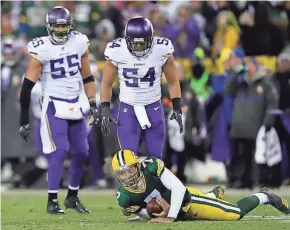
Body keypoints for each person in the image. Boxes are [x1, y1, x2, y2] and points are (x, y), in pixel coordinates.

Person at [19, 6, 99, 214]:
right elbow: (27, 86)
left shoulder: (80, 42)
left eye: (64, 26)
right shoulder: (42, 49)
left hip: (76, 102)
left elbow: (88, 76)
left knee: (82, 152)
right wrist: (23, 119)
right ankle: (52, 200)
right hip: (54, 104)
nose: (61, 30)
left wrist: (92, 102)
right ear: (49, 27)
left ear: (70, 26)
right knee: (59, 151)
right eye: (57, 26)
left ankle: (72, 197)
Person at [112, 149, 290, 223]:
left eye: (129, 170)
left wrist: (171, 216)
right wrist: (146, 215)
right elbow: (148, 213)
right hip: (176, 211)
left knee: (234, 214)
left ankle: (265, 195)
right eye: (122, 173)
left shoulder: (151, 166)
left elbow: (179, 188)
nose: (127, 176)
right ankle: (213, 195)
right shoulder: (124, 196)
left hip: (186, 203)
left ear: (137, 165)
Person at [100, 16, 183, 159]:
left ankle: (154, 182)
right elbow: (106, 83)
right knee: (129, 162)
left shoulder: (161, 49)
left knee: (156, 161)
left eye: (142, 43)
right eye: (135, 43)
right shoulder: (117, 51)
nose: (138, 47)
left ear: (151, 38)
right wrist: (105, 109)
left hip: (154, 108)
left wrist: (177, 107)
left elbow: (173, 81)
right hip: (128, 109)